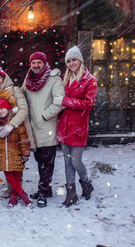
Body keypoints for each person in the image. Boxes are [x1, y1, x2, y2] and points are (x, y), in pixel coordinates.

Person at [53, 46, 97, 207]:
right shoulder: (64, 78)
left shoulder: (89, 80)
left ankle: (86, 183)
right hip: (64, 127)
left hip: (78, 128)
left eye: (74, 60)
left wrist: (65, 101)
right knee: (67, 161)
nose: (71, 63)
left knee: (76, 162)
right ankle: (71, 194)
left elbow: (88, 103)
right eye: (69, 61)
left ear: (80, 60)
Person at [21, 52, 65, 208]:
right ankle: (47, 189)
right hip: (33, 129)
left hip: (47, 127)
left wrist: (44, 116)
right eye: (33, 63)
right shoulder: (28, 80)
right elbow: (21, 96)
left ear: (44, 64)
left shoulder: (54, 80)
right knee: (40, 161)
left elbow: (60, 102)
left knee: (47, 162)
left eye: (39, 62)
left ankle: (42, 193)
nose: (36, 65)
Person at [0, 68, 35, 199]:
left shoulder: (15, 91)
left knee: (17, 162)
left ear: (3, 78)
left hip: (17, 131)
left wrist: (10, 125)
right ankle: (12, 189)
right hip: (2, 136)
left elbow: (23, 110)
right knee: (7, 162)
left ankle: (17, 190)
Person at [0, 98, 33, 208]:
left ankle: (13, 196)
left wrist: (25, 154)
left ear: (8, 109)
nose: (0, 111)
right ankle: (23, 196)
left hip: (15, 155)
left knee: (16, 176)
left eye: (2, 108)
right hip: (3, 157)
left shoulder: (16, 123)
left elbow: (23, 140)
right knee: (9, 177)